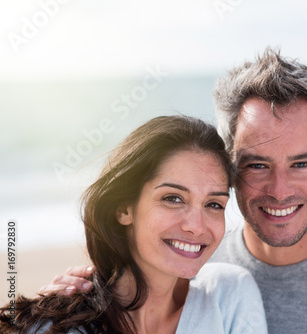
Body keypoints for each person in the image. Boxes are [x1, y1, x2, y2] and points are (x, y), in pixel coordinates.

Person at [38, 48, 307, 333]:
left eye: (301, 163)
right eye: (257, 165)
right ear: (229, 169)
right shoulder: (189, 257)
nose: (279, 189)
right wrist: (69, 306)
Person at [0, 116, 267, 333]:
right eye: (173, 198)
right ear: (124, 209)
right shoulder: (51, 328)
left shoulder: (230, 295)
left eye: (214, 204)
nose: (196, 226)